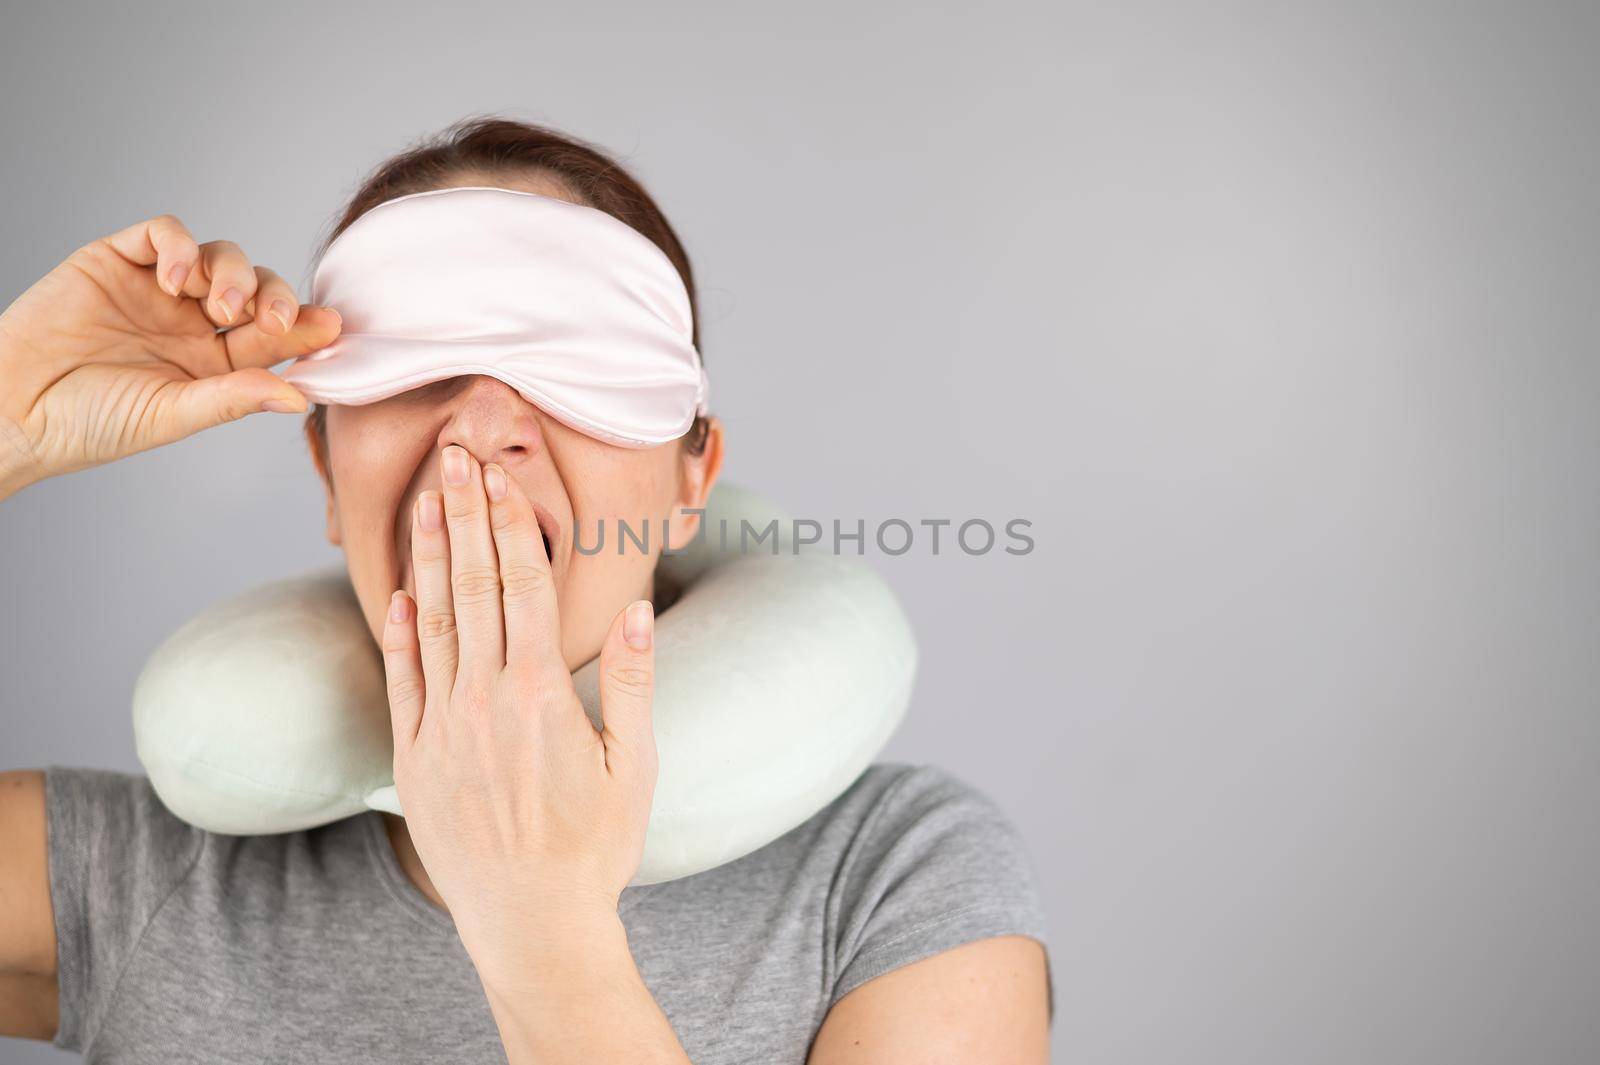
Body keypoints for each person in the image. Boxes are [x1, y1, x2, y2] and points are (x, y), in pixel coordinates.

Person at [0, 116, 1054, 1063]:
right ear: (327, 474)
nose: (480, 427)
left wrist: (539, 926)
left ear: (692, 478)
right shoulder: (148, 882)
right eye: (412, 368)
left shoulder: (892, 875)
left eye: (574, 362)